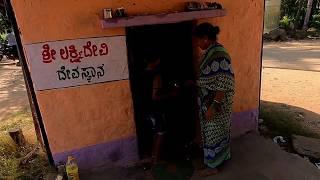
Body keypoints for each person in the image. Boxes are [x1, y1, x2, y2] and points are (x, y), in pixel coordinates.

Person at [193, 23, 235, 176]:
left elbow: (223, 83)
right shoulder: (211, 52)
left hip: (217, 103)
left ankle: (212, 166)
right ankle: (221, 157)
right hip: (209, 101)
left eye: (198, 40)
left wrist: (214, 106)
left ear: (205, 38)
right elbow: (209, 77)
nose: (197, 44)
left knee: (213, 132)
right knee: (217, 132)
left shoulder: (219, 55)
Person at [141, 53, 180, 164]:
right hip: (155, 109)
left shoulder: (142, 74)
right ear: (157, 61)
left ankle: (153, 157)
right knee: (160, 133)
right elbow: (155, 96)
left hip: (146, 108)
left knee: (155, 133)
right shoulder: (156, 76)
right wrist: (172, 94)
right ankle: (156, 160)